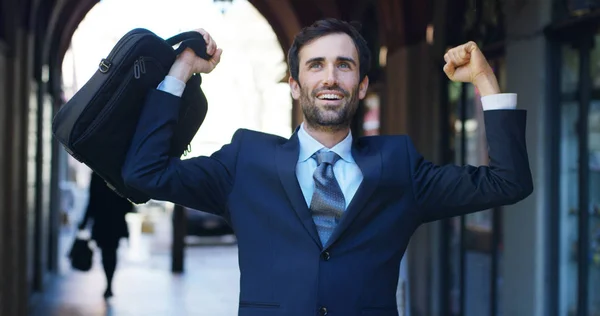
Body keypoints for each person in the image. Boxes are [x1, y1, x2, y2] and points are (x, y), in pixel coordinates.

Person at [122, 18, 533, 316]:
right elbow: (145, 172)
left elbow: (507, 182)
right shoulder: (246, 160)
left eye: (344, 65)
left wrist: (485, 81)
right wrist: (181, 70)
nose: (330, 77)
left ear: (363, 86)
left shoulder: (400, 166)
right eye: (316, 65)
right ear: (296, 86)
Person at [79, 172, 134, 299]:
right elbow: (128, 204)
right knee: (112, 252)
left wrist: (85, 222)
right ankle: (109, 283)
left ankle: (108, 283)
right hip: (116, 221)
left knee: (105, 252)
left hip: (101, 220)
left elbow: (92, 201)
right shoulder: (119, 174)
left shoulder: (97, 175)